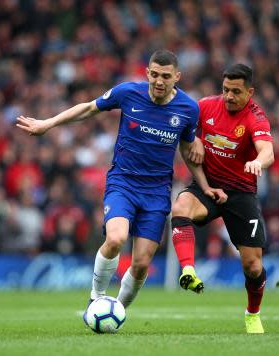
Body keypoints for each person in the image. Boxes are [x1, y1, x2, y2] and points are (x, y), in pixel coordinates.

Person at [16, 50, 217, 313]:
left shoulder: (188, 109)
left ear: (176, 77)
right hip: (123, 184)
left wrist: (203, 184)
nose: (158, 81)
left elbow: (188, 150)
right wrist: (49, 123)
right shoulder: (128, 93)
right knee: (116, 239)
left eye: (165, 76)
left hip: (157, 193)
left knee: (142, 262)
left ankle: (116, 311)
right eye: (154, 74)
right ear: (147, 72)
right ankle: (96, 297)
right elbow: (88, 108)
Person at [170, 64, 274, 334]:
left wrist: (257, 162)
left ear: (250, 92)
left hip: (241, 194)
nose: (228, 96)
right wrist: (194, 140)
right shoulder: (205, 106)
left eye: (236, 92)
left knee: (253, 267)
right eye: (225, 89)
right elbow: (184, 132)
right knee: (180, 206)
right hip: (208, 187)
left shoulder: (256, 117)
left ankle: (253, 314)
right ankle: (188, 270)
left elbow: (268, 152)